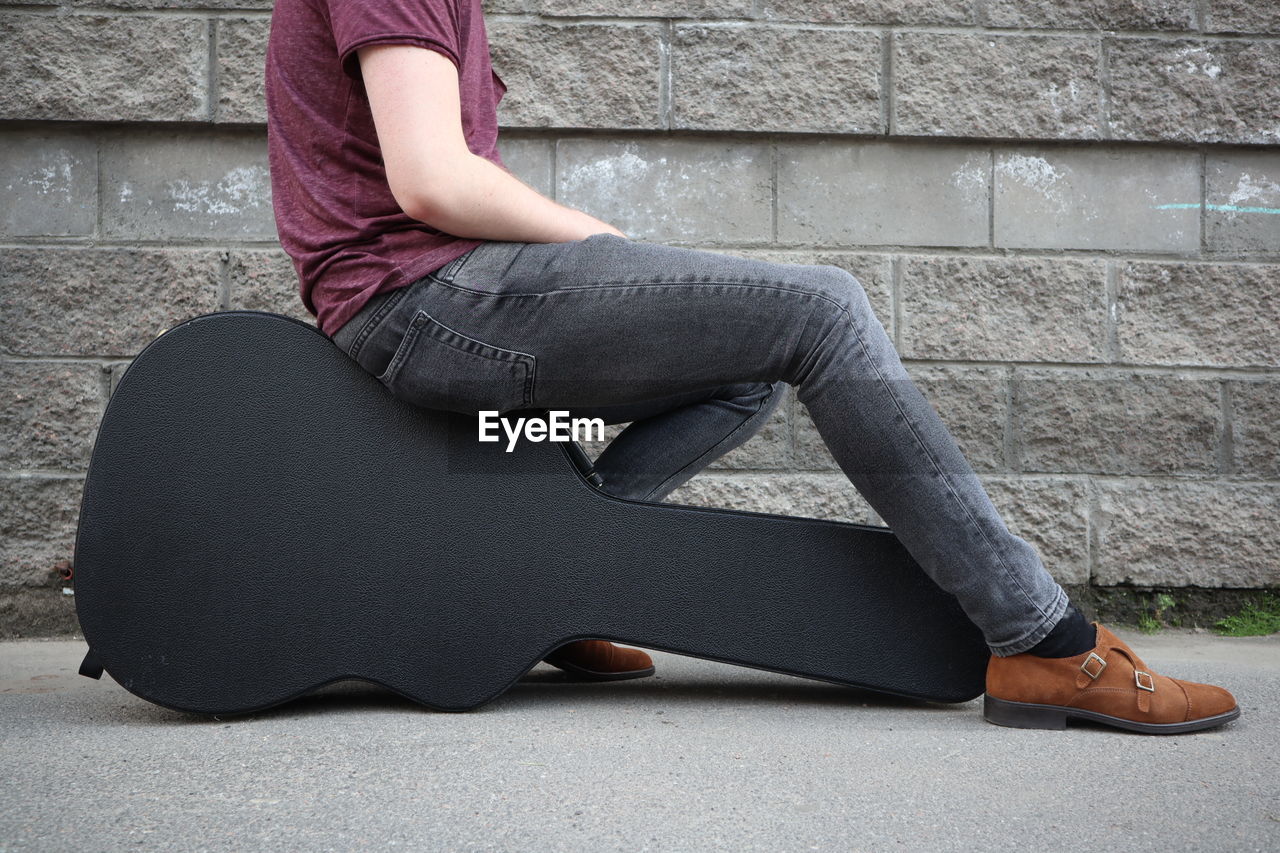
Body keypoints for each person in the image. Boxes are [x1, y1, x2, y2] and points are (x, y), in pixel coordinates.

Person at [264, 0, 1240, 733]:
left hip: (429, 298)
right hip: (425, 301)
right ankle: (1039, 643)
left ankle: (563, 580)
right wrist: (599, 239)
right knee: (819, 309)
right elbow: (431, 176)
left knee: (736, 369)